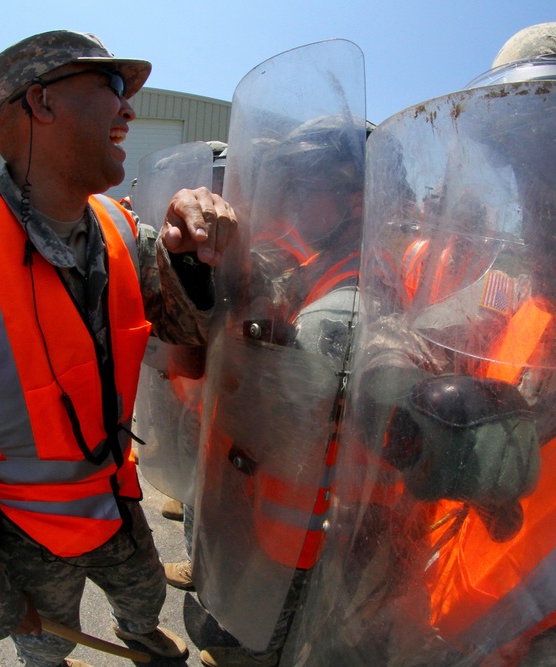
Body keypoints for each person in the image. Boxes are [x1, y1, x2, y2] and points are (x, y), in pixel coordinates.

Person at [282, 22, 556, 666]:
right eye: (527, 169)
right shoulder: (517, 304)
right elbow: (398, 335)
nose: (539, 203)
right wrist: (403, 387)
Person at [0, 30, 236, 667]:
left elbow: (185, 331)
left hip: (116, 504)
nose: (130, 108)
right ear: (41, 103)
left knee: (144, 595)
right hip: (23, 538)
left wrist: (188, 260)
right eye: (113, 86)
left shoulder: (118, 228)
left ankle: (140, 636)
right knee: (47, 646)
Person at [191, 38, 369, 667]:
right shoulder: (326, 268)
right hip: (282, 523)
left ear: (355, 203)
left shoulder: (341, 310)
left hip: (296, 540)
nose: (293, 200)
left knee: (267, 650)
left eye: (311, 186)